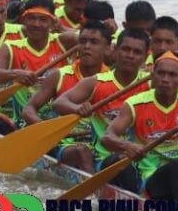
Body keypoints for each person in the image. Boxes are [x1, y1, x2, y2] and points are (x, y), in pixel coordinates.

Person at [101, 51, 178, 201]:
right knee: (177, 165)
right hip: (151, 177)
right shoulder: (135, 104)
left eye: (172, 75)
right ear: (153, 76)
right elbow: (107, 137)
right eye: (160, 73)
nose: (165, 79)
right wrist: (126, 145)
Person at [53, 27, 151, 172]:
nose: (130, 55)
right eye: (125, 49)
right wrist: (77, 109)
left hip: (141, 158)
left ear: (145, 57)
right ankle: (92, 189)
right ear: (115, 50)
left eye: (137, 52)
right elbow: (59, 103)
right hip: (103, 156)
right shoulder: (95, 82)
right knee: (85, 152)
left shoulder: (151, 84)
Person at [21, 21, 111, 170]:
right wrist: (47, 131)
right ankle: (92, 193)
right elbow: (28, 109)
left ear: (108, 49)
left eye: (94, 42)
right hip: (66, 142)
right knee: (82, 151)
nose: (87, 46)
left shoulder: (112, 80)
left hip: (101, 143)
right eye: (82, 41)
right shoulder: (59, 75)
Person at [0, 0, 77, 133]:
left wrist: (61, 27)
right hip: (23, 117)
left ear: (52, 23)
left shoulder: (63, 41)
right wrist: (16, 73)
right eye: (31, 18)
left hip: (55, 115)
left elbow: (96, 40)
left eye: (43, 20)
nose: (36, 24)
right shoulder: (11, 47)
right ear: (23, 20)